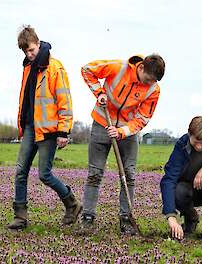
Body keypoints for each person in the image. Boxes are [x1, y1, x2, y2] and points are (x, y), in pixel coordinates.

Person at [80, 54, 165, 235]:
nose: (150, 83)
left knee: (129, 175)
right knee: (95, 173)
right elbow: (87, 69)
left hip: (128, 131)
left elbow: (143, 118)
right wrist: (99, 93)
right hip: (102, 123)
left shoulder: (153, 90)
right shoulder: (118, 67)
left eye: (154, 81)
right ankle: (87, 217)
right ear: (141, 68)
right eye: (149, 79)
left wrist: (122, 132)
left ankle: (126, 219)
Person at [7, 25, 81, 230]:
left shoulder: (55, 67)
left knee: (44, 174)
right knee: (21, 171)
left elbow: (64, 99)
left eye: (31, 50)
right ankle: (20, 217)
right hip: (31, 127)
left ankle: (72, 204)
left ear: (38, 44)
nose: (29, 54)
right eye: (25, 52)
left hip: (49, 130)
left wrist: (64, 131)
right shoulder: (28, 68)